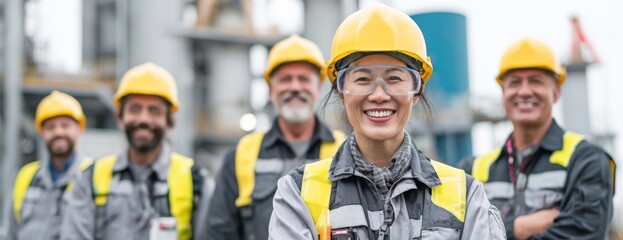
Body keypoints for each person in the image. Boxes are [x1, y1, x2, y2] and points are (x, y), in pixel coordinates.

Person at [268, 3, 506, 239]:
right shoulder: (297, 193)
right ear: (341, 92)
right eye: (362, 79)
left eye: (394, 78)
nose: (379, 95)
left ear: (417, 91)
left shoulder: (466, 195)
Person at [458, 38, 616, 239]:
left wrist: (489, 228)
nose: (524, 91)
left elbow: (584, 233)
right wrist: (520, 227)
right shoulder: (472, 170)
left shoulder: (588, 160)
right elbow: (454, 232)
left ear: (556, 92)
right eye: (515, 82)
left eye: (536, 81)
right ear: (503, 93)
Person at [205, 34, 345, 240]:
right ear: (271, 89)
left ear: (318, 86)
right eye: (286, 79)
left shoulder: (344, 151)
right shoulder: (241, 156)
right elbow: (218, 234)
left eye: (304, 79)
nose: (295, 87)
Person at [61, 63, 212, 240]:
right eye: (135, 109)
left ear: (169, 121)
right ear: (120, 118)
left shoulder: (197, 182)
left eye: (154, 110)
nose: (143, 118)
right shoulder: (90, 179)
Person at [8, 91, 92, 240]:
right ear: (42, 132)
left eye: (65, 125)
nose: (58, 132)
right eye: (51, 127)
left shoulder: (94, 176)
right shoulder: (26, 177)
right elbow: (12, 233)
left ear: (79, 128)